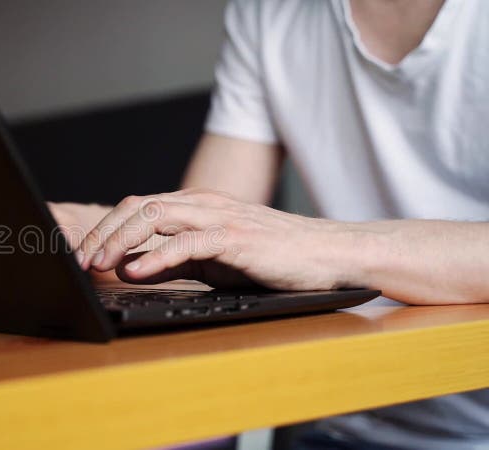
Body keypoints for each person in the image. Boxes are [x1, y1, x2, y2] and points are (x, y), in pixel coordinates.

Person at [50, 0, 489, 448]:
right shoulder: (266, 11)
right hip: (345, 426)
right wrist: (82, 227)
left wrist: (321, 247)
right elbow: (206, 239)